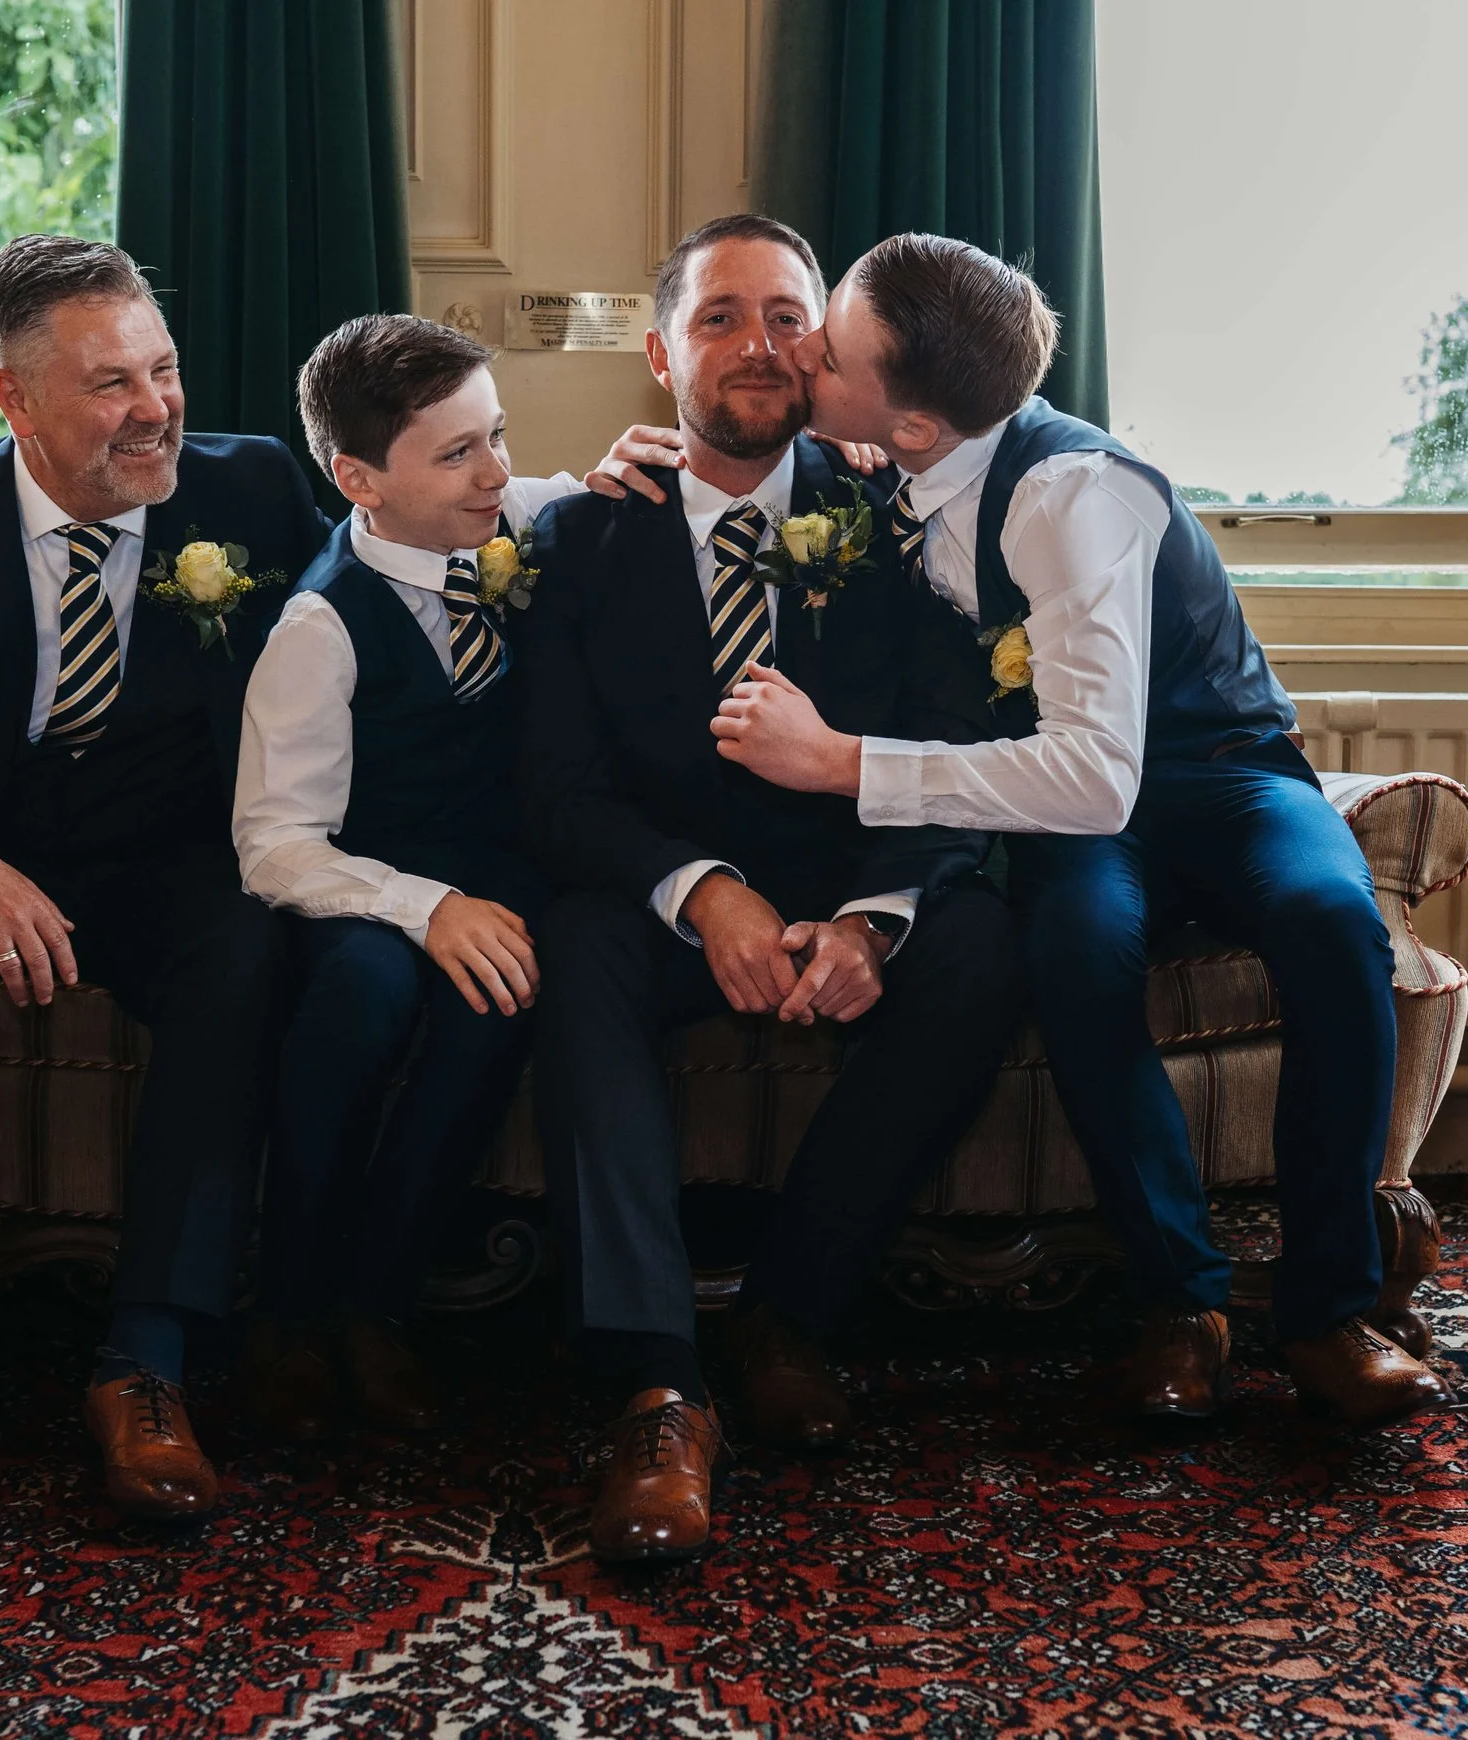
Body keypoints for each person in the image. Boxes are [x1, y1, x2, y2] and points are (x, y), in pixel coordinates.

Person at [0, 234, 701, 1520]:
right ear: (16, 400)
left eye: (162, 369)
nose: (155, 408)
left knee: (239, 944)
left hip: (171, 872)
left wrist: (587, 489)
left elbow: (414, 523)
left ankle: (149, 1361)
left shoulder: (246, 489)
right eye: (110, 384)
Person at [711, 232, 1449, 1431]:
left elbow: (1096, 778)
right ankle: (1182, 1309)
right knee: (1073, 945)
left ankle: (1330, 1313)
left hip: (1216, 771)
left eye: (827, 352)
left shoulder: (1068, 494)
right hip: (1069, 803)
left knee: (1331, 920)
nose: (803, 360)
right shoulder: (902, 452)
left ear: (914, 421)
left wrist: (838, 761)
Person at [513, 214, 1022, 1566]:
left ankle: (788, 1315)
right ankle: (657, 1387)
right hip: (665, 905)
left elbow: (954, 743)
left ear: (828, 349)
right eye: (721, 317)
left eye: (789, 318)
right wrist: (702, 893)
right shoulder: (581, 536)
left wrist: (873, 918)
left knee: (973, 942)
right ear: (659, 353)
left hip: (843, 885)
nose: (759, 345)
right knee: (575, 944)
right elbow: (557, 793)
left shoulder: (897, 522)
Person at [229, 314, 556, 1440]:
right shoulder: (319, 625)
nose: (495, 471)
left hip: (500, 879)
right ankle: (288, 1312)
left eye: (496, 435)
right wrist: (424, 909)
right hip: (358, 881)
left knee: (498, 995)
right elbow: (276, 843)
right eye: (457, 453)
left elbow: (600, 484)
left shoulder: (511, 521)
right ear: (358, 478)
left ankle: (378, 1308)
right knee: (363, 996)